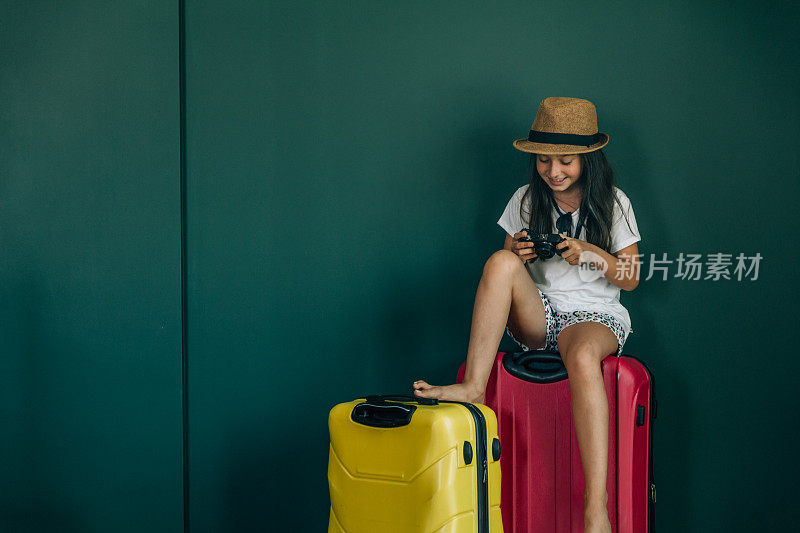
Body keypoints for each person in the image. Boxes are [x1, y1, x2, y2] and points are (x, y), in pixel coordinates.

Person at [412, 97, 641, 533]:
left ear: (588, 159)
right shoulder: (524, 199)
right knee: (498, 264)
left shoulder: (614, 201)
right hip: (541, 317)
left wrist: (591, 253)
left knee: (580, 357)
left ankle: (596, 510)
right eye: (543, 160)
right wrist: (514, 251)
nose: (554, 171)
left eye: (566, 161)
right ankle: (474, 386)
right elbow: (502, 277)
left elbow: (630, 277)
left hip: (595, 318)